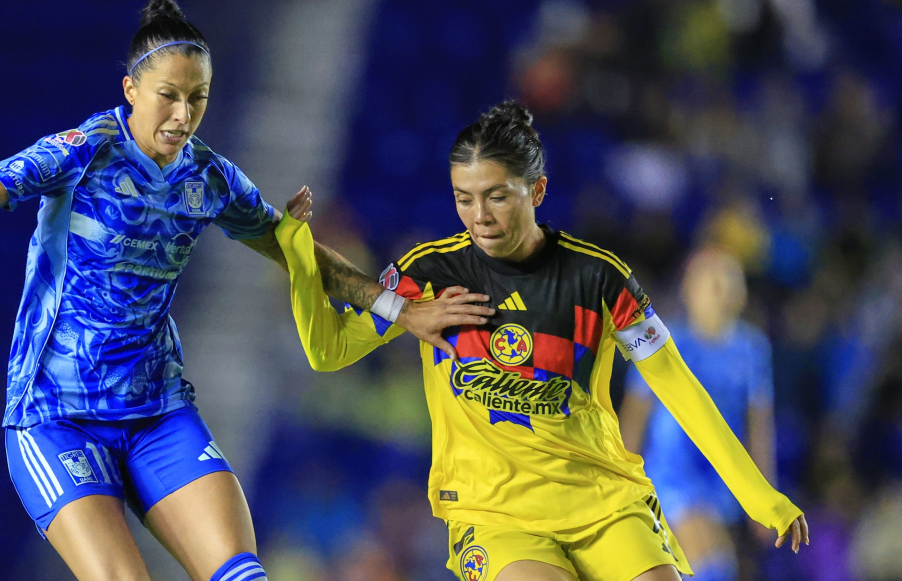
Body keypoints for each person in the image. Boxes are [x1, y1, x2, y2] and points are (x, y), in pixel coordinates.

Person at [0, 2, 484, 580]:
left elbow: (297, 253)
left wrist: (399, 309)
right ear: (130, 88)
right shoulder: (83, 150)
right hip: (57, 417)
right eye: (169, 95)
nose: (183, 114)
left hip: (158, 413)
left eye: (198, 98)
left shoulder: (209, 178)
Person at [274, 100, 808, 581]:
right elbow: (329, 350)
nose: (479, 217)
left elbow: (680, 388)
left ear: (537, 190)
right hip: (493, 516)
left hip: (603, 501)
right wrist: (299, 255)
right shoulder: (430, 273)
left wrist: (759, 497)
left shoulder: (600, 278)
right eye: (464, 199)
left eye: (496, 197)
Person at [619, 248, 776, 581]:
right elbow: (635, 415)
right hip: (672, 470)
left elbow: (758, 424)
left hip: (720, 473)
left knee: (711, 562)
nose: (719, 290)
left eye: (728, 281)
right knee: (706, 556)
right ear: (688, 290)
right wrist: (622, 483)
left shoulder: (752, 348)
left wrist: (766, 495)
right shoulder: (661, 340)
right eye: (710, 282)